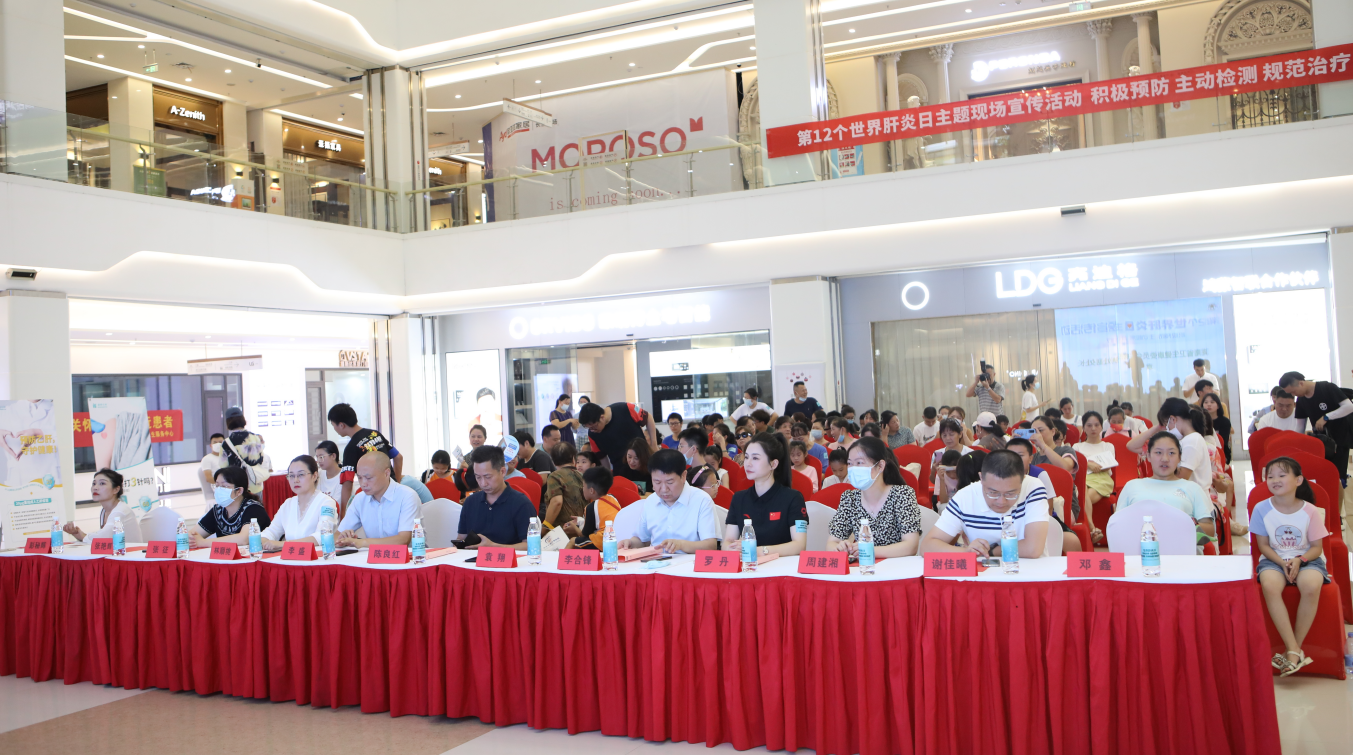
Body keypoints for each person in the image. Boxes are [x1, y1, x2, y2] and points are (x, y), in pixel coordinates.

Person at [1252, 456, 1330, 676]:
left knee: (1311, 585)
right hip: (1274, 559)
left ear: (1298, 480)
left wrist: (1299, 560)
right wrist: (1282, 562)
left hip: (1306, 559)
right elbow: (1263, 545)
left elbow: (1316, 548)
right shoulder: (1261, 509)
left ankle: (1293, 650)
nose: (1275, 480)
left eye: (1282, 475)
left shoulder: (1310, 510)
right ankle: (1294, 649)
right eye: (1270, 476)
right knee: (1269, 585)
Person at [922, 450, 1049, 558]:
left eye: (1010, 494)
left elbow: (1032, 549)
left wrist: (991, 551)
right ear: (981, 478)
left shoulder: (1033, 487)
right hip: (984, 573)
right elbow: (927, 546)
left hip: (1029, 571)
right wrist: (967, 552)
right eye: (993, 492)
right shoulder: (965, 497)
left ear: (1023, 480)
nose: (1001, 501)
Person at [826, 436, 922, 558]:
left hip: (897, 565)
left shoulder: (902, 494)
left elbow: (911, 546)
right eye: (850, 463)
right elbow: (831, 543)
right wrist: (839, 548)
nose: (853, 468)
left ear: (880, 466)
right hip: (863, 567)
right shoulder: (849, 499)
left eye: (859, 463)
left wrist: (869, 550)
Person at [216, 456, 336, 551]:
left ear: (314, 476)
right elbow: (272, 531)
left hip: (317, 560)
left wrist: (281, 544)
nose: (295, 480)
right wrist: (263, 540)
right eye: (291, 476)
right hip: (289, 559)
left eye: (301, 475)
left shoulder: (326, 502)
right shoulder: (288, 504)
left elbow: (322, 536)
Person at [1116, 432, 1215, 542]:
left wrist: (1187, 524)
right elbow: (1117, 525)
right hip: (1139, 549)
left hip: (1181, 550)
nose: (1165, 459)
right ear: (1148, 456)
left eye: (1171, 453)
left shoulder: (1193, 488)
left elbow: (1210, 530)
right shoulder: (1132, 486)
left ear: (1180, 457)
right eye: (1158, 452)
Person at [723, 432, 809, 556]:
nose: (748, 463)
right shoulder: (739, 498)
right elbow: (728, 541)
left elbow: (799, 545)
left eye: (755, 458)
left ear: (773, 464)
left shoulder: (793, 498)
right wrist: (731, 548)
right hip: (749, 564)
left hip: (781, 564)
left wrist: (759, 551)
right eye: (746, 457)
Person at [622, 448, 718, 554]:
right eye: (657, 482)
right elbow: (643, 540)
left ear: (683, 476)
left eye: (670, 482)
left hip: (690, 562)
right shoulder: (651, 501)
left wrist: (681, 545)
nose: (664, 489)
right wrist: (630, 543)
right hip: (656, 561)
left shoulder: (702, 500)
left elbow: (710, 545)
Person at [1006, 438, 1081, 554]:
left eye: (1020, 455)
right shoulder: (999, 475)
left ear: (1030, 458)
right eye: (1010, 455)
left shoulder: (1040, 474)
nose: (1015, 459)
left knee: (1072, 541)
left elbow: (1049, 508)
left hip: (1042, 519)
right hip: (1011, 522)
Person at [454, 445, 536, 549]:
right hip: (473, 559)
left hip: (509, 559)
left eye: (488, 477)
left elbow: (531, 545)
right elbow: (461, 538)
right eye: (478, 477)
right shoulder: (470, 502)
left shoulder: (521, 504)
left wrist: (494, 547)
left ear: (502, 472)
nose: (483, 483)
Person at [1280, 371, 1353, 485]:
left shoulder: (1327, 388)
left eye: (1293, 391)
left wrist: (1326, 417)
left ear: (1301, 383)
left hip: (1340, 439)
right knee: (1322, 476)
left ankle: (1340, 492)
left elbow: (1349, 407)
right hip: (1321, 442)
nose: (1293, 395)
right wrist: (1295, 444)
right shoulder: (1301, 399)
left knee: (1338, 477)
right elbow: (1300, 426)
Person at [334, 452, 419, 549]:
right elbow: (336, 536)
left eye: (368, 478)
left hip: (411, 556)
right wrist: (342, 539)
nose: (363, 484)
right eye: (360, 478)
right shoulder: (360, 499)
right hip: (374, 557)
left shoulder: (407, 496)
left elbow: (403, 540)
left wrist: (362, 542)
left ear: (386, 473)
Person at [329, 402, 402, 509]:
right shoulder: (375, 434)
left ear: (341, 425)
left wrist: (344, 513)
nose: (334, 429)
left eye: (333, 425)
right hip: (393, 491)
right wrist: (397, 482)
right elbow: (398, 457)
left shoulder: (351, 448)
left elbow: (347, 483)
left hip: (377, 498)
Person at [188, 465, 272, 546]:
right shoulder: (218, 510)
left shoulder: (254, 508)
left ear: (239, 491)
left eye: (224, 486)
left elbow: (244, 539)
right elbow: (192, 535)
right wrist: (191, 538)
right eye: (217, 485)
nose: (219, 490)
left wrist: (203, 542)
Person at [62, 469, 144, 544]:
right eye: (94, 484)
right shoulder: (104, 511)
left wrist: (81, 534)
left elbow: (102, 538)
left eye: (102, 483)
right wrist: (76, 533)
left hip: (130, 554)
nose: (95, 488)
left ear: (116, 489)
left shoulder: (121, 511)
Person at [578, 401, 657, 472]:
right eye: (589, 428)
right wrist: (608, 476)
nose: (592, 430)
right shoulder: (592, 435)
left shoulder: (625, 408)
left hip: (644, 464)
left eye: (594, 427)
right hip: (620, 470)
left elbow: (648, 417)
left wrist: (654, 444)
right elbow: (602, 457)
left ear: (602, 417)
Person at [1073, 411, 1115, 542]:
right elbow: (1076, 468)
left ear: (1101, 427)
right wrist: (1089, 464)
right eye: (1089, 425)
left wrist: (1087, 463)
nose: (1093, 428)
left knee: (1082, 498)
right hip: (1084, 479)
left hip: (1102, 479)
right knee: (1083, 491)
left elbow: (1107, 466)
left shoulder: (1108, 446)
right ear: (1084, 427)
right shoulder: (1077, 446)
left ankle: (1091, 530)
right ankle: (1093, 529)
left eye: (1097, 425)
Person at [562, 466, 622, 550]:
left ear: (591, 490)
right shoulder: (613, 498)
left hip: (604, 540)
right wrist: (580, 521)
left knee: (573, 541)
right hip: (619, 537)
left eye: (583, 486)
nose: (582, 489)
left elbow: (584, 535)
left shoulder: (591, 507)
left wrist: (574, 528)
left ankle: (560, 558)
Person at [220, 408, 267, 495]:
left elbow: (223, 468)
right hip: (256, 483)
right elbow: (261, 459)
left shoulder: (226, 443)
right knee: (256, 504)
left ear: (228, 422)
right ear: (243, 419)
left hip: (238, 487)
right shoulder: (255, 437)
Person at [542, 442, 587, 533]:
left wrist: (544, 529)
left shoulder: (555, 476)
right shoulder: (582, 476)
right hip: (582, 528)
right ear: (573, 459)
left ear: (553, 461)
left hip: (563, 530)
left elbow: (557, 502)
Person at [929, 418, 973, 486]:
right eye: (944, 435)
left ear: (960, 434)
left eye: (951, 434)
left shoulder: (969, 453)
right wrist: (933, 470)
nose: (948, 438)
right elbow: (934, 482)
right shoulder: (938, 454)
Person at [678, 427, 719, 498]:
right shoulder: (688, 471)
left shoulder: (709, 473)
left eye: (681, 446)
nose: (679, 450)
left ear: (693, 449)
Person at [1201, 392, 1233, 464]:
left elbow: (1223, 441)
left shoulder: (1225, 421)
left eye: (1212, 402)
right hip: (1203, 451)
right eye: (1206, 402)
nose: (1209, 404)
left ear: (1218, 405)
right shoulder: (1200, 421)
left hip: (1221, 451)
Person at [198, 433, 225, 503]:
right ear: (211, 445)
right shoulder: (207, 459)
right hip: (219, 488)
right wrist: (225, 484)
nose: (218, 444)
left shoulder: (228, 457)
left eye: (220, 442)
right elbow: (209, 478)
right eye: (215, 443)